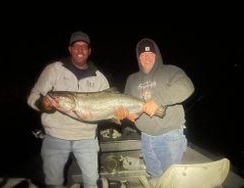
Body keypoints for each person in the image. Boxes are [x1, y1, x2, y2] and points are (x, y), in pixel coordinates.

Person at [27, 31, 110, 188]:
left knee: (92, 183)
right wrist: (42, 104)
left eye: (84, 47)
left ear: (89, 51)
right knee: (53, 183)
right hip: (55, 137)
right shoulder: (54, 69)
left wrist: (116, 114)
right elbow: (33, 96)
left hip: (87, 139)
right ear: (70, 49)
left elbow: (104, 111)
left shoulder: (99, 78)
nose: (80, 50)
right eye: (76, 46)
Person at [118, 38, 194, 185]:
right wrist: (126, 114)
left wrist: (157, 100)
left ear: (157, 55)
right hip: (146, 138)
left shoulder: (170, 71)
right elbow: (128, 106)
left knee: (170, 181)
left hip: (170, 136)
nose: (147, 58)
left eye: (151, 55)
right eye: (143, 55)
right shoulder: (132, 79)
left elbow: (187, 86)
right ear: (138, 58)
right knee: (155, 178)